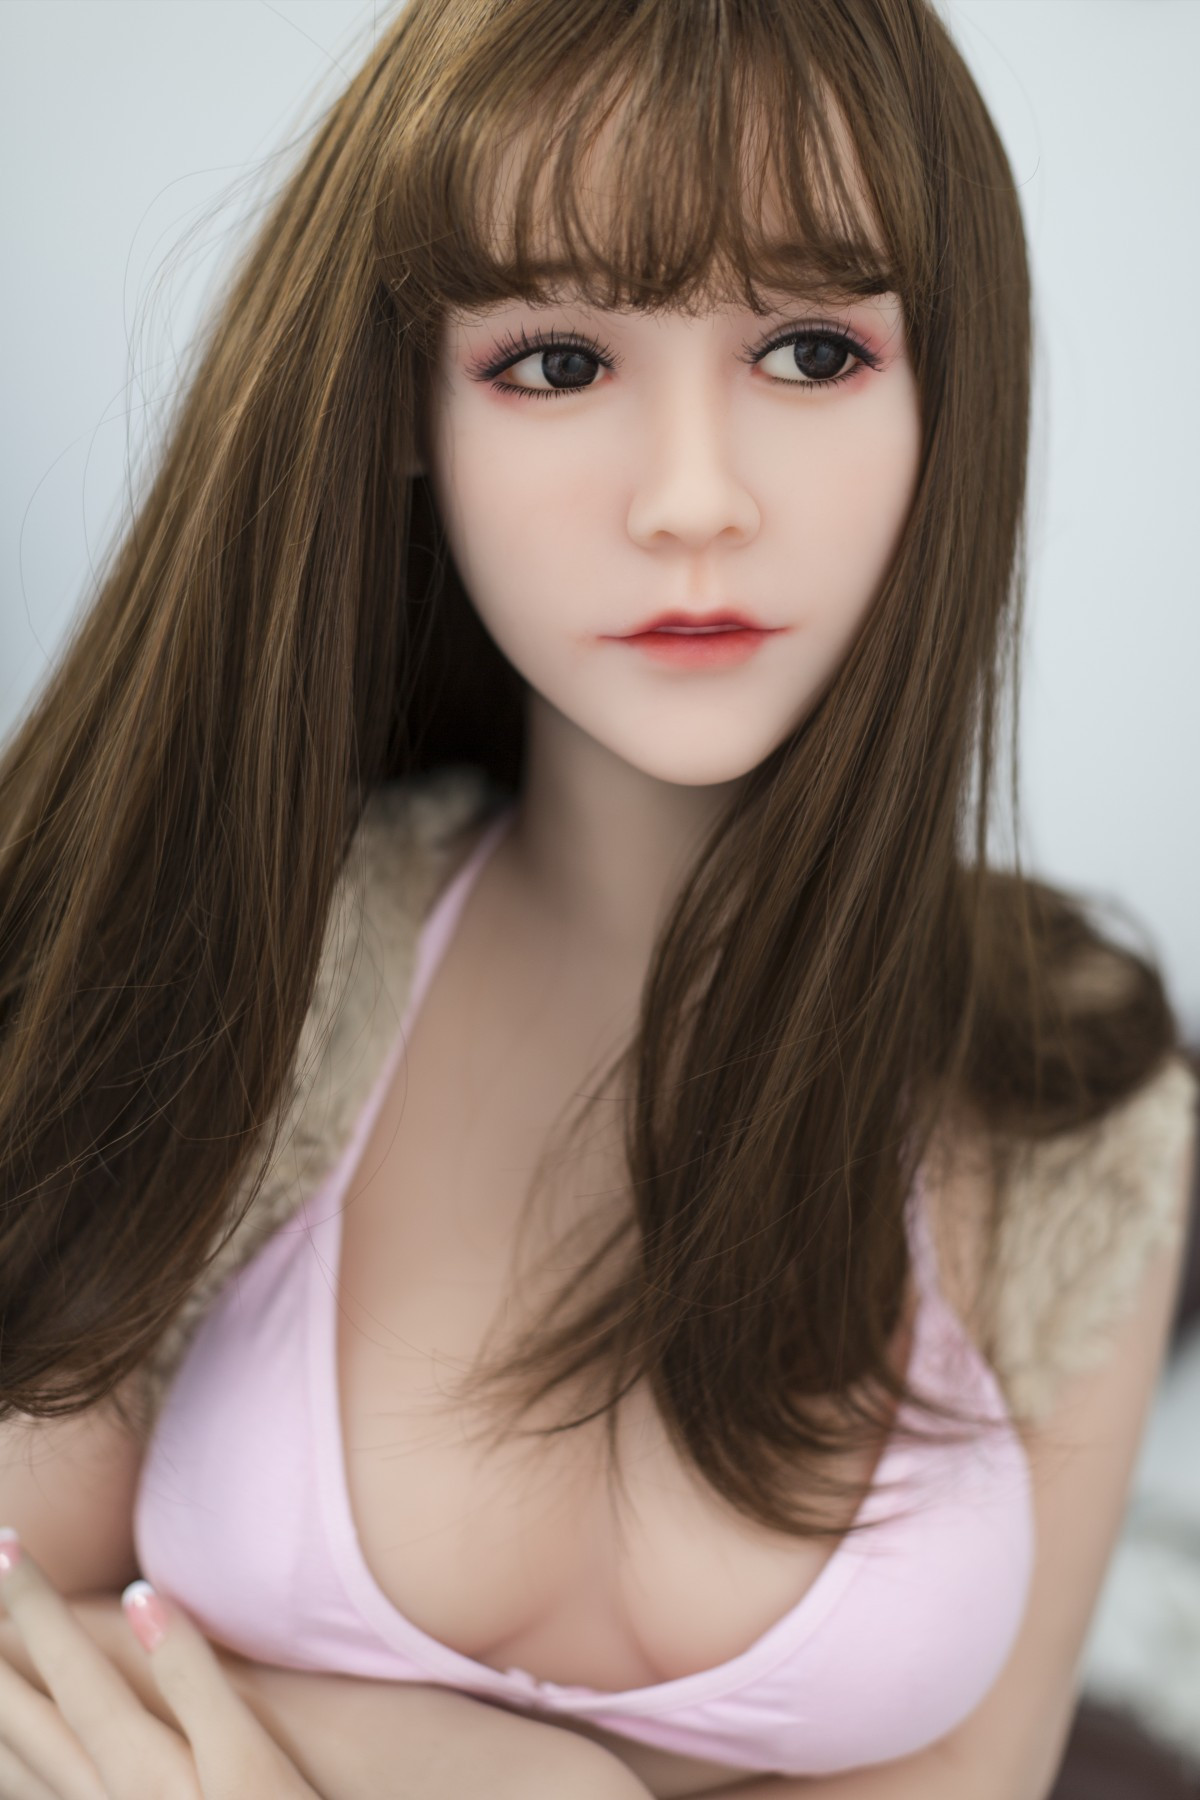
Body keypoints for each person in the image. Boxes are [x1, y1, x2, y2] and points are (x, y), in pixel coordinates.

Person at [0, 1, 1195, 1795]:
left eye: (810, 350)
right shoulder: (241, 960)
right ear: (405, 407)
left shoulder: (1078, 1107)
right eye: (557, 362)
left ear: (952, 394)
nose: (692, 500)